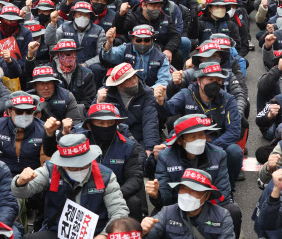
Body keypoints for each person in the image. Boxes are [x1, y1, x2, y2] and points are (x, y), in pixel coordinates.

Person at [11, 133, 129, 239]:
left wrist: (104, 235)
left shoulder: (106, 176)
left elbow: (119, 211)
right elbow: (22, 193)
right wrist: (20, 182)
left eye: (83, 165)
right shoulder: (50, 170)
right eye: (72, 167)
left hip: (95, 233)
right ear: (62, 164)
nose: (79, 169)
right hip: (57, 232)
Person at [154, 62, 242, 191]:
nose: (215, 83)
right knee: (160, 152)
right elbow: (168, 110)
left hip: (215, 141)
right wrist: (161, 102)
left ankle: (229, 190)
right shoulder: (186, 94)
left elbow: (234, 131)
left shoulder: (228, 99)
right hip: (188, 139)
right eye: (210, 79)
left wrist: (211, 146)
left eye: (218, 80)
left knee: (235, 151)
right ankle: (168, 192)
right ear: (199, 80)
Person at [141, 168, 235, 238]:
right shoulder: (167, 212)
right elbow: (151, 233)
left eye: (195, 190)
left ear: (206, 195)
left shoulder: (222, 216)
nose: (187, 194)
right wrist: (143, 231)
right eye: (183, 189)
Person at [96, 63, 160, 162]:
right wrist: (99, 103)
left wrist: (149, 149)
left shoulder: (147, 93)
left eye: (134, 76)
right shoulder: (105, 93)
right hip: (115, 139)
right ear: (118, 84)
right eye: (128, 79)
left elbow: (150, 123)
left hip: (140, 139)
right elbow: (90, 120)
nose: (134, 81)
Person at [0, 91, 47, 175]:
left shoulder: (44, 129)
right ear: (9, 112)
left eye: (28, 111)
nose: (24, 115)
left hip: (33, 178)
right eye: (19, 111)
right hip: (2, 176)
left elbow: (46, 164)